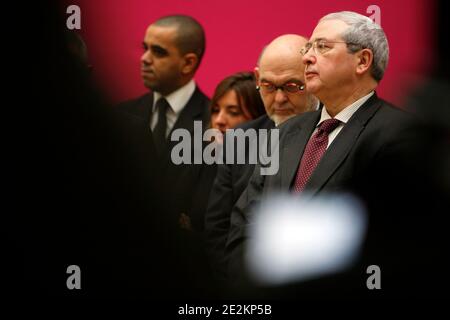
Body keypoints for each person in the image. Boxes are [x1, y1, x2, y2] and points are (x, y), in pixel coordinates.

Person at [225, 11, 419, 297]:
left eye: (322, 47)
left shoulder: (399, 135)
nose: (307, 57)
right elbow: (244, 225)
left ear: (362, 61)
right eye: (308, 48)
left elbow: (392, 245)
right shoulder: (284, 133)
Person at [205, 34, 318, 284]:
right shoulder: (238, 140)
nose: (278, 99)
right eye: (268, 86)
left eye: (291, 86)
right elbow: (218, 229)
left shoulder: (334, 134)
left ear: (313, 77)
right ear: (257, 79)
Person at [118, 15, 212, 232]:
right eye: (145, 48)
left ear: (188, 63)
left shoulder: (216, 125)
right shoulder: (120, 114)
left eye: (158, 52)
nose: (144, 58)